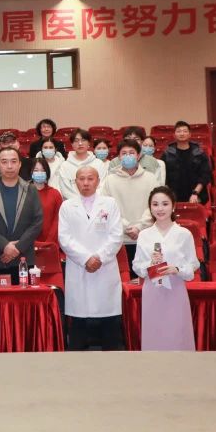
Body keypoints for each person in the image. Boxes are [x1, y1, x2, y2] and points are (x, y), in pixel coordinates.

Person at [58, 166, 125, 351]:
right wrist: (86, 258)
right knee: (79, 321)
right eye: (81, 179)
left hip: (105, 267)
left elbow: (116, 236)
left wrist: (99, 258)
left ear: (98, 181)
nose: (86, 183)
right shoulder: (67, 206)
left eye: (90, 178)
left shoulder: (110, 204)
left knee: (109, 320)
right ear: (75, 182)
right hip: (79, 267)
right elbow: (64, 238)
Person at [132, 187, 199, 351]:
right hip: (152, 290)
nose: (160, 209)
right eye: (155, 204)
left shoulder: (184, 234)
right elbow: (137, 266)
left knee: (177, 334)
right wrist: (150, 264)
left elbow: (193, 264)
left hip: (175, 289)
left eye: (165, 204)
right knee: (154, 334)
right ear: (150, 208)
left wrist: (177, 269)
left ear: (173, 206)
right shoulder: (144, 235)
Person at [0, 147, 44, 283]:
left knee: (24, 297)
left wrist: (17, 248)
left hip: (24, 257)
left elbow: (37, 222)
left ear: (20, 164)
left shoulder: (31, 189)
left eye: (13, 161)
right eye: (4, 162)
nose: (9, 166)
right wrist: (4, 245)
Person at [100, 140, 159, 272]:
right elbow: (105, 208)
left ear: (138, 155)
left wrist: (139, 227)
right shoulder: (110, 180)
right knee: (124, 278)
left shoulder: (150, 178)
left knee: (145, 277)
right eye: (124, 153)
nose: (128, 156)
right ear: (119, 157)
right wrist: (125, 226)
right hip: (119, 240)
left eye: (131, 153)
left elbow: (155, 205)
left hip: (145, 237)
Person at [50, 128, 107, 200]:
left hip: (96, 202)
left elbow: (103, 185)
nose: (80, 143)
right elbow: (65, 190)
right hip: (73, 204)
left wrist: (90, 200)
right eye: (76, 141)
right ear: (72, 144)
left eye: (83, 140)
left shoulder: (98, 163)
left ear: (89, 143)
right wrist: (79, 202)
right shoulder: (65, 165)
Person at [163, 121, 212, 205]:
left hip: (196, 196)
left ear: (190, 134)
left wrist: (195, 193)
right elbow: (163, 176)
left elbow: (205, 175)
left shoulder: (199, 153)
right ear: (174, 135)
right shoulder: (167, 153)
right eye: (179, 131)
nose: (182, 133)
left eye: (185, 131)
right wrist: (169, 195)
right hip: (173, 196)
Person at [30, 157, 63, 247]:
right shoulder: (23, 193)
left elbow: (58, 220)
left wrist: (49, 242)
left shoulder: (55, 194)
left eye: (42, 170)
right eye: (36, 170)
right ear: (31, 173)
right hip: (28, 244)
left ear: (47, 173)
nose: (39, 173)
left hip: (50, 244)